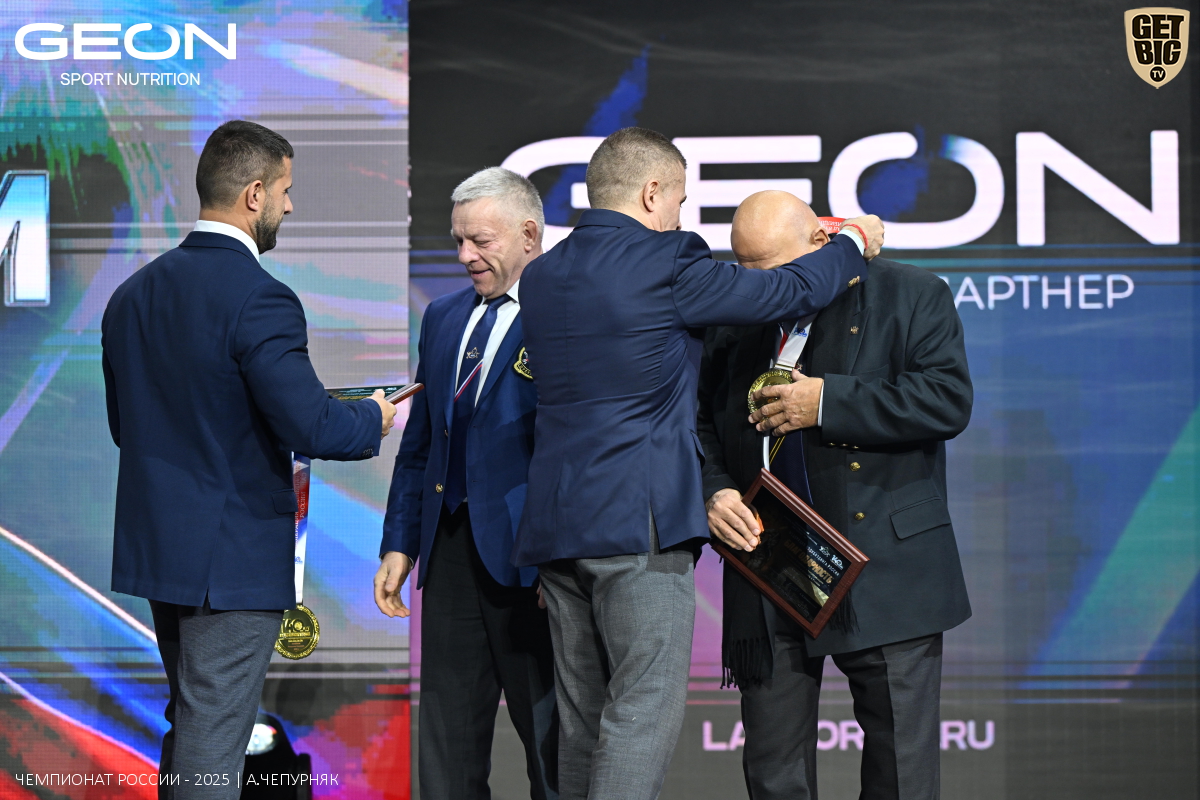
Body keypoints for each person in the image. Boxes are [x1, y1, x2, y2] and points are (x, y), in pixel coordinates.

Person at [513, 127, 884, 800]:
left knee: (583, 722)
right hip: (639, 528)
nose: (681, 215)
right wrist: (852, 240)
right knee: (639, 714)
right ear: (652, 192)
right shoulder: (666, 260)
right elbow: (788, 292)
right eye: (680, 200)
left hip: (556, 530)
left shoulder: (540, 276)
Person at [101, 120, 396, 799]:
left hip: (164, 554)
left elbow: (127, 428)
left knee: (194, 724)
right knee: (213, 736)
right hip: (230, 561)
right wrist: (373, 416)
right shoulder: (262, 297)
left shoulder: (131, 295)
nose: (290, 206)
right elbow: (311, 423)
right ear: (254, 194)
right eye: (286, 191)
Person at [697, 190, 973, 800]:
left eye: (772, 268)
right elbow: (698, 422)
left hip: (885, 562)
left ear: (821, 243)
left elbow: (946, 400)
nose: (759, 286)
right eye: (744, 268)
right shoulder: (734, 312)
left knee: (900, 772)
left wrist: (827, 402)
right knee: (773, 772)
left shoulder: (911, 293)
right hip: (771, 565)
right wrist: (714, 490)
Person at [374, 167, 558, 800]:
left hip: (534, 561)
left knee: (552, 748)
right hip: (450, 554)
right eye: (458, 240)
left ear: (529, 234)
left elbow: (575, 446)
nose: (464, 256)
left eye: (480, 240)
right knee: (447, 751)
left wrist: (562, 556)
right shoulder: (444, 316)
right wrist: (400, 542)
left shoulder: (567, 312)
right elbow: (421, 440)